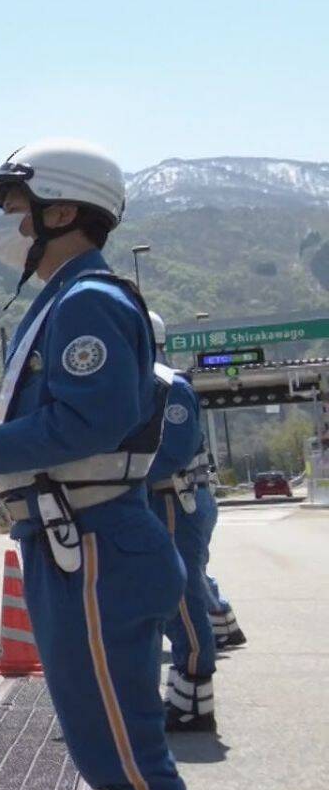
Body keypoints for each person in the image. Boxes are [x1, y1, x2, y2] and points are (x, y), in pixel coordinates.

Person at [0, 139, 196, 790]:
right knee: (113, 754)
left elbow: (93, 419)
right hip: (77, 544)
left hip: (91, 548)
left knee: (129, 765)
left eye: (17, 206)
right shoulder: (68, 299)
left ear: (61, 212)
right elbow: (76, 419)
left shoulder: (86, 300)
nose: (9, 222)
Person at [144, 312, 218, 732]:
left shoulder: (169, 386)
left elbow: (172, 452)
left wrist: (121, 475)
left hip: (173, 498)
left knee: (181, 596)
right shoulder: (145, 382)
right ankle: (182, 693)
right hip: (154, 500)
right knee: (162, 596)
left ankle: (194, 695)